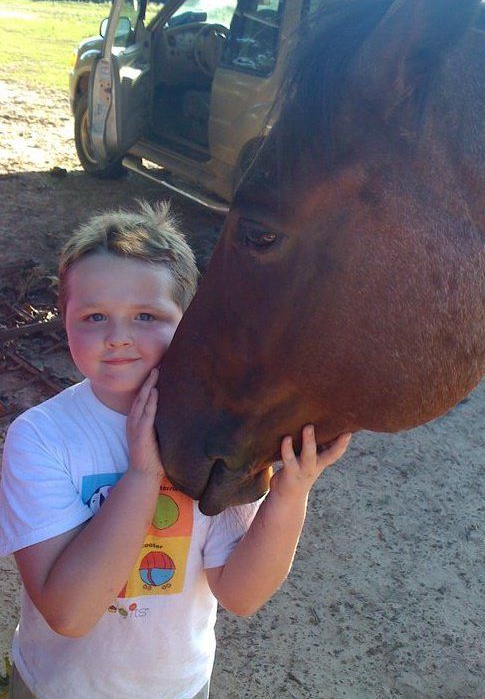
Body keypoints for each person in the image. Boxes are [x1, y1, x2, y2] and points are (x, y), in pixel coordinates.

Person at [0, 201, 351, 699]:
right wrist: (143, 475)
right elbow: (69, 613)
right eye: (94, 315)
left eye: (146, 315)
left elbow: (241, 593)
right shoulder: (40, 438)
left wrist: (291, 493)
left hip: (178, 689)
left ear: (189, 319)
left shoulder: (221, 431)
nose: (118, 337)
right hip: (55, 688)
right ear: (66, 321)